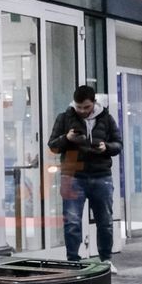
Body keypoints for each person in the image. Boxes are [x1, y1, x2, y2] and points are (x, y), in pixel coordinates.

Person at [47, 85, 123, 263]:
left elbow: (118, 144)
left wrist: (106, 147)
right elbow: (53, 146)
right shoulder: (64, 118)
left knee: (105, 221)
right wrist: (67, 138)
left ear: (94, 103)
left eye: (86, 107)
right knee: (72, 222)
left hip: (101, 175)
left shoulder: (106, 118)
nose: (82, 111)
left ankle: (106, 260)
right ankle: (73, 261)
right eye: (79, 107)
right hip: (72, 175)